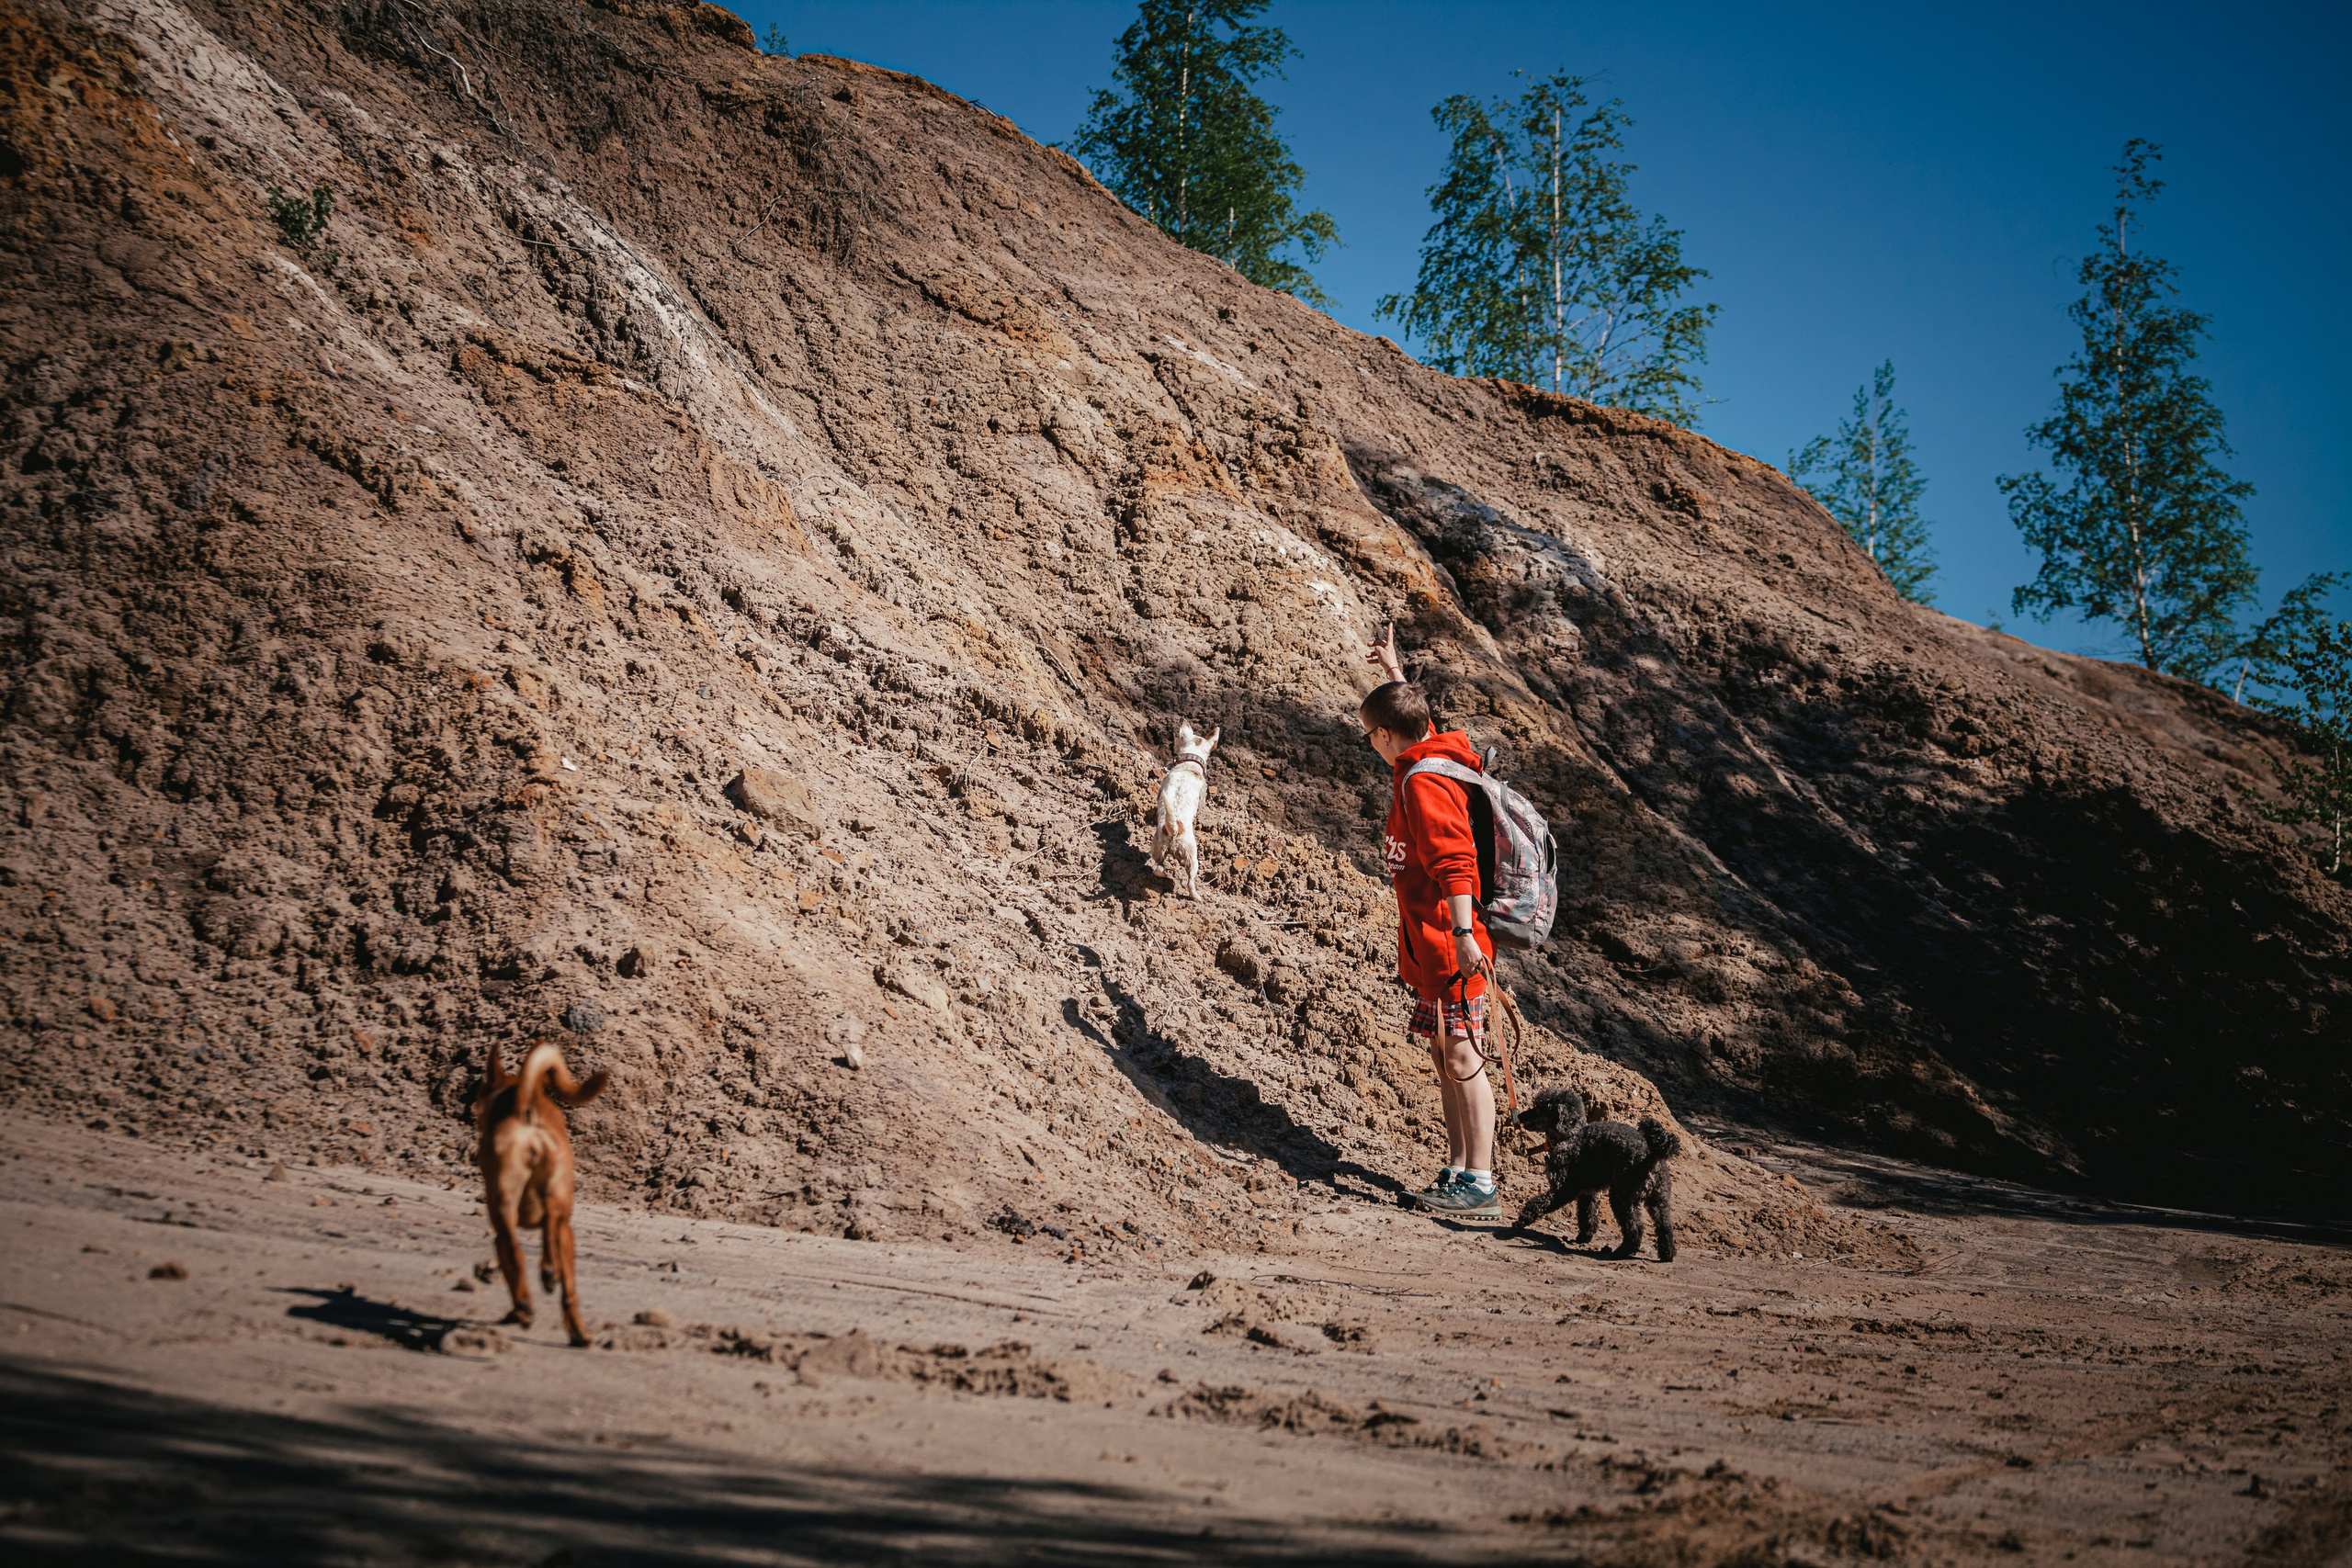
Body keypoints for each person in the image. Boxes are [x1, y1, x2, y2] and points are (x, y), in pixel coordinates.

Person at [1360, 624, 1499, 1216]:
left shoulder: (1424, 782)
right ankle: (1460, 1169)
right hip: (1432, 941)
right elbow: (1420, 724)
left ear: (1385, 735)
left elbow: (1455, 860)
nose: (1370, 745)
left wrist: (1464, 936)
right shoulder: (1433, 754)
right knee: (1446, 1056)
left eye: (1371, 735)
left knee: (1463, 1056)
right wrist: (1395, 674)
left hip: (1450, 941)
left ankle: (1480, 1181)